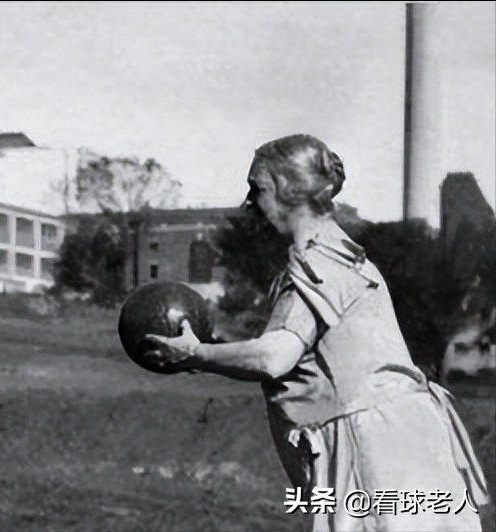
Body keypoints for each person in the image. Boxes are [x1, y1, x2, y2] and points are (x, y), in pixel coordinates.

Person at [146, 134, 489, 532]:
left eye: (257, 188)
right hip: (408, 436)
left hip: (374, 443)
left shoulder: (318, 262)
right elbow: (309, 352)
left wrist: (196, 355)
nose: (249, 203)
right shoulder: (346, 257)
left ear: (289, 192)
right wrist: (216, 347)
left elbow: (275, 357)